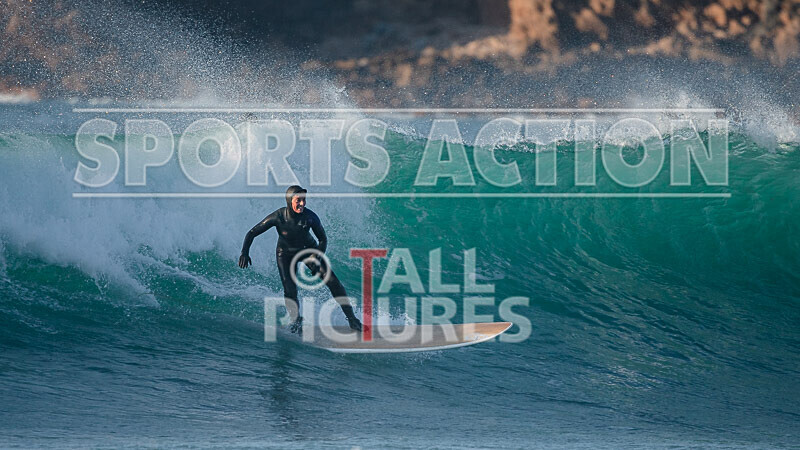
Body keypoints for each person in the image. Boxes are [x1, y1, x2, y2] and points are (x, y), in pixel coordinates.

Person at [238, 185, 363, 334]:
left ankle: (352, 319)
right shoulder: (278, 217)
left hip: (308, 250)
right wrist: (244, 252)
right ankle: (296, 321)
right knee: (289, 290)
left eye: (304, 200)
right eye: (298, 200)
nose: (302, 204)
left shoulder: (310, 217)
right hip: (285, 254)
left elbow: (323, 239)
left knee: (333, 282)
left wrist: (316, 256)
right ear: (289, 201)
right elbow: (252, 232)